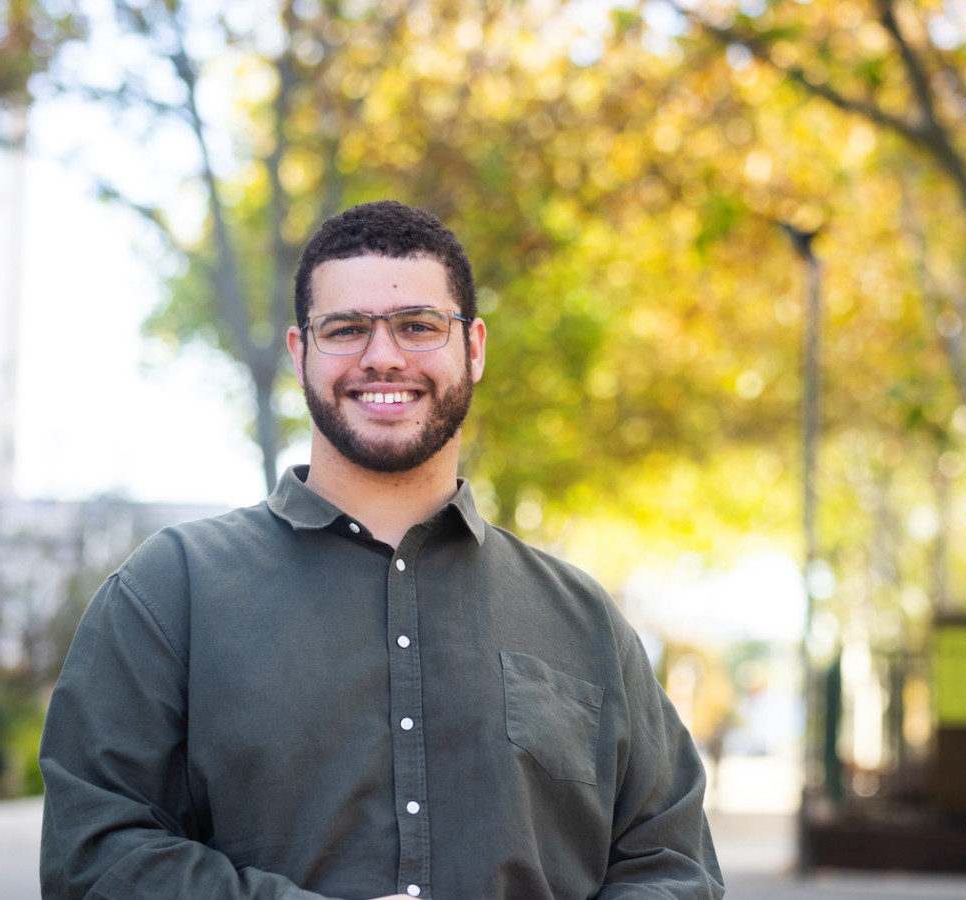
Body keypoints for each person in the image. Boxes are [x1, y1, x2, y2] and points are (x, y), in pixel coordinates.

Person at [39, 201, 724, 900]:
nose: (383, 356)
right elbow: (95, 853)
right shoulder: (169, 591)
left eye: (419, 326)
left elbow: (673, 863)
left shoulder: (583, 618)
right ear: (301, 354)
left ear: (475, 348)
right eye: (346, 329)